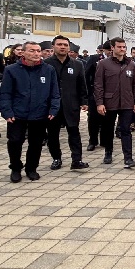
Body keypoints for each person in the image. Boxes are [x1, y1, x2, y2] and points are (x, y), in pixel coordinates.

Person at [0, 41, 60, 183]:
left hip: (40, 113)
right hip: (17, 113)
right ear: (23, 52)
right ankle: (15, 167)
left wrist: (53, 108)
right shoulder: (11, 70)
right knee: (15, 141)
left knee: (36, 143)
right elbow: (5, 93)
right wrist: (7, 112)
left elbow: (55, 92)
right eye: (32, 51)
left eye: (38, 51)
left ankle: (31, 168)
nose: (36, 54)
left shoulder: (48, 69)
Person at [45, 35, 90, 171]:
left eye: (65, 45)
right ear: (53, 47)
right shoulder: (46, 64)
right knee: (53, 134)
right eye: (59, 44)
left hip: (71, 104)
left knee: (74, 132)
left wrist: (84, 101)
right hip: (52, 106)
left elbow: (82, 84)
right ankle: (56, 158)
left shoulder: (77, 64)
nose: (63, 47)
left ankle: (77, 160)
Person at [95, 37, 135, 168]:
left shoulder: (131, 64)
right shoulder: (103, 64)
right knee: (108, 129)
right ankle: (108, 153)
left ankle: (128, 158)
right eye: (119, 47)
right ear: (112, 48)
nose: (122, 49)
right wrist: (99, 103)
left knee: (126, 130)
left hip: (127, 102)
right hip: (109, 102)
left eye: (124, 47)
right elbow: (98, 85)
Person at [84, 42, 110, 151]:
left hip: (109, 94)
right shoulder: (94, 59)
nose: (110, 52)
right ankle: (93, 141)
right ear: (104, 50)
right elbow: (86, 75)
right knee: (93, 118)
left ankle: (104, 140)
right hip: (94, 92)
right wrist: (88, 92)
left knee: (106, 118)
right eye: (109, 50)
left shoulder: (116, 60)